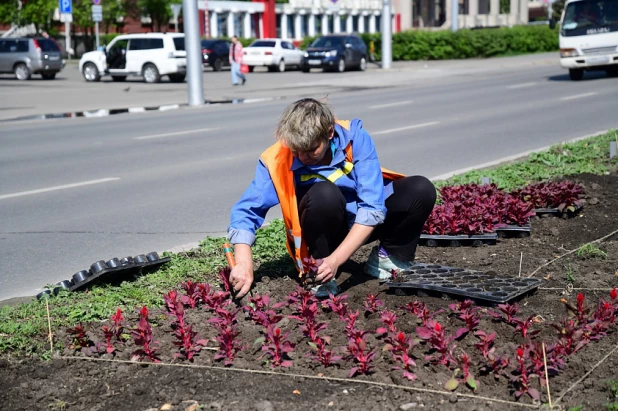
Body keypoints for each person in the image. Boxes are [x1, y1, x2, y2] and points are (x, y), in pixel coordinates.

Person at [227, 98, 436, 298]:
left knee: (420, 189)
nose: (302, 157)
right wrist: (244, 262)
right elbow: (247, 211)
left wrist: (336, 261)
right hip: (322, 232)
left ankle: (387, 259)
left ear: (329, 133)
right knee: (324, 193)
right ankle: (320, 273)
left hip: (363, 225)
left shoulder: (354, 138)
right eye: (296, 150)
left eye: (310, 150)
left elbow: (372, 206)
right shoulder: (276, 159)